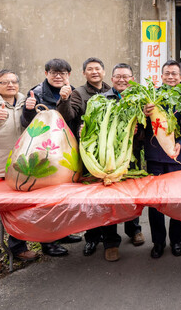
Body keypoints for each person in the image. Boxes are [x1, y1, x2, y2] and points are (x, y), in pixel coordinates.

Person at [21, 58, 82, 256]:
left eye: (62, 73)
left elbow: (71, 118)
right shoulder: (35, 93)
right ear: (46, 73)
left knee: (64, 197)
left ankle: (62, 233)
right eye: (54, 72)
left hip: (65, 151)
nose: (58, 76)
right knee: (46, 199)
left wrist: (65, 100)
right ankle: (47, 242)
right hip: (43, 151)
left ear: (68, 75)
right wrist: (29, 109)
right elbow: (26, 123)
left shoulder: (73, 91)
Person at [0, 70, 38, 275]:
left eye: (15, 81)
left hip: (18, 167)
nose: (11, 85)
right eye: (6, 82)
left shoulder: (26, 101)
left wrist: (32, 111)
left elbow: (34, 127)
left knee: (17, 210)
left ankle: (18, 247)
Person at [57, 57, 111, 259]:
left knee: (110, 199)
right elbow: (68, 115)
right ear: (84, 73)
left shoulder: (111, 92)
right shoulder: (78, 92)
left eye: (98, 68)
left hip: (108, 152)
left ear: (103, 72)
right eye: (90, 69)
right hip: (89, 153)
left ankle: (110, 237)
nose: (94, 72)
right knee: (91, 200)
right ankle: (92, 238)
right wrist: (64, 100)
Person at [95, 63, 145, 262]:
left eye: (126, 76)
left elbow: (146, 131)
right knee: (110, 201)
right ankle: (110, 242)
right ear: (112, 79)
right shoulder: (101, 100)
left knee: (132, 197)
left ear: (132, 78)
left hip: (131, 156)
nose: (122, 80)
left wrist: (137, 131)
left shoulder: (139, 101)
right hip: (109, 159)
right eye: (118, 76)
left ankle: (134, 231)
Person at [143, 60, 181, 258]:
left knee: (177, 201)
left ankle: (176, 241)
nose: (170, 77)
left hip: (178, 157)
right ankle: (158, 242)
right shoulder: (151, 98)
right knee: (156, 202)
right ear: (161, 77)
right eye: (167, 73)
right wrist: (144, 114)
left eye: (174, 74)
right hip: (155, 157)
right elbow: (142, 127)